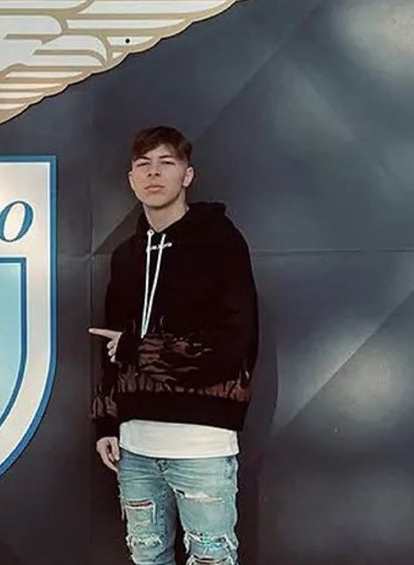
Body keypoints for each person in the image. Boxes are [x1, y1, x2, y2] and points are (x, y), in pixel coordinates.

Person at [89, 125, 259, 565]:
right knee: (147, 558)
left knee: (211, 559)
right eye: (143, 164)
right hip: (135, 447)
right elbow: (113, 344)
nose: (154, 173)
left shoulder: (220, 243)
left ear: (187, 175)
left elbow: (232, 344)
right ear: (131, 179)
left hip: (201, 444)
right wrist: (107, 423)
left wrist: (139, 350)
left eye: (166, 162)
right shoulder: (126, 256)